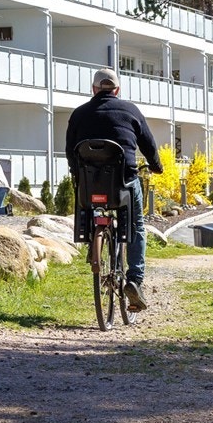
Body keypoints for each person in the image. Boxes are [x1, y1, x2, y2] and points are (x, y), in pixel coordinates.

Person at [65, 67, 163, 312]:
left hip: (89, 186)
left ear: (94, 89)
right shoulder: (131, 111)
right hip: (123, 185)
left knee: (88, 205)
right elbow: (149, 145)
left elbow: (70, 150)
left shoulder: (79, 114)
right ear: (117, 90)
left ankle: (93, 242)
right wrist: (156, 166)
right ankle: (135, 280)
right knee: (137, 225)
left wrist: (76, 173)